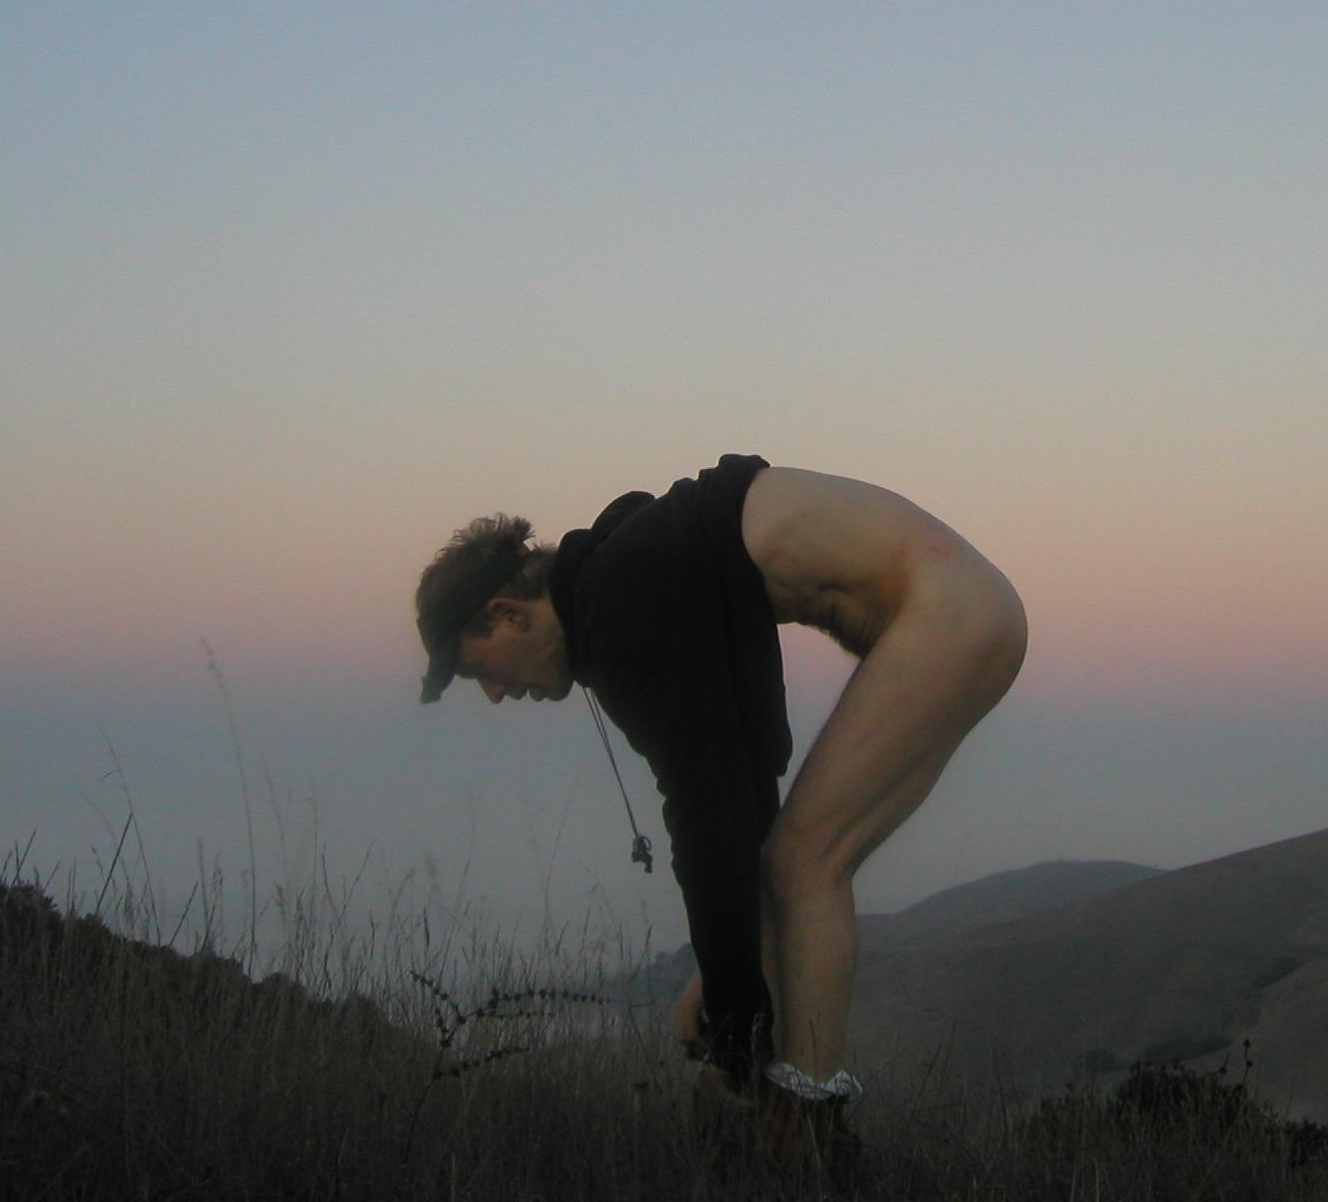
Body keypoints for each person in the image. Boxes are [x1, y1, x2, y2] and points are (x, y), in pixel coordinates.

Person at [413, 454, 1027, 1133]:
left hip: (947, 614)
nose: (494, 694)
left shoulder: (622, 600)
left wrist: (734, 1037)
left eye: (476, 670)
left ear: (506, 615)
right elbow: (743, 776)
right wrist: (720, 977)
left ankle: (803, 1131)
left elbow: (709, 817)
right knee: (795, 860)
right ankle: (796, 1122)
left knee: (804, 865)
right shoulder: (634, 573)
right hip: (966, 608)